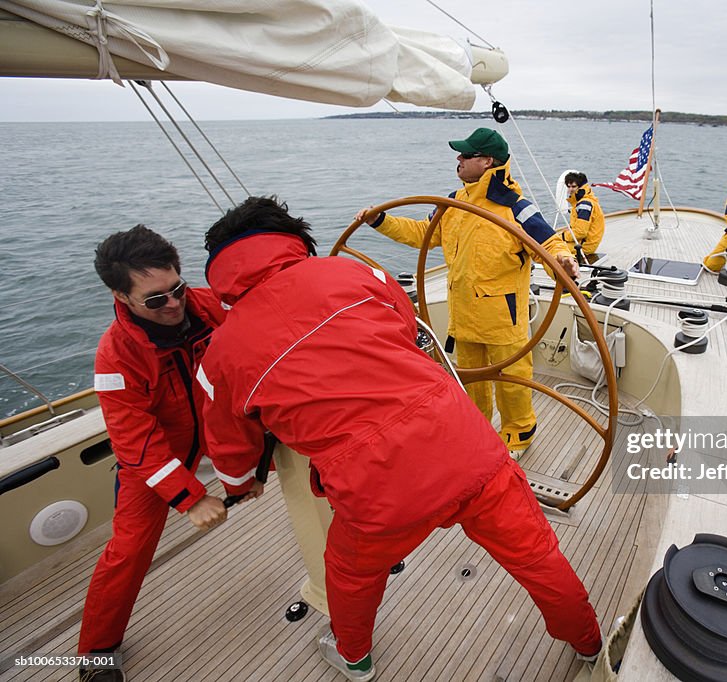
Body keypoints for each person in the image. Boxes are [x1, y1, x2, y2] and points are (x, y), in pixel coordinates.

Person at [195, 196, 602, 682]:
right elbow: (407, 328)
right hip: (467, 446)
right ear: (295, 242)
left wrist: (240, 487)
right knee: (537, 556)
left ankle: (355, 659)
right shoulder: (355, 275)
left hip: (378, 492)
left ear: (220, 274)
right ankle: (589, 642)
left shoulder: (219, 358)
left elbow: (231, 451)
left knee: (349, 576)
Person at [356, 127, 579, 457]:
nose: (458, 159)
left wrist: (564, 261)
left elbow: (549, 244)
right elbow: (423, 234)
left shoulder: (517, 209)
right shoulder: (452, 204)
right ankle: (478, 430)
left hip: (503, 320)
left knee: (511, 381)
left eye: (466, 154)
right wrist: (381, 221)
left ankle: (520, 433)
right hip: (464, 317)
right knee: (470, 381)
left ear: (487, 162)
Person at [79, 225, 230, 682]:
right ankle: (97, 653)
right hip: (158, 458)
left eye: (177, 289)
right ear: (120, 296)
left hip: (220, 427)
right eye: (155, 299)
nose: (174, 304)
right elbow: (135, 440)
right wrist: (191, 497)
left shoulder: (206, 306)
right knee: (127, 552)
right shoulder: (116, 356)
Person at [562, 171, 605, 264]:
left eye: (573, 186)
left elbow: (580, 232)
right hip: (583, 242)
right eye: (568, 186)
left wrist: (563, 236)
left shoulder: (584, 205)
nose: (570, 189)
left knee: (552, 247)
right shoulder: (584, 201)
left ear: (581, 187)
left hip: (585, 246)